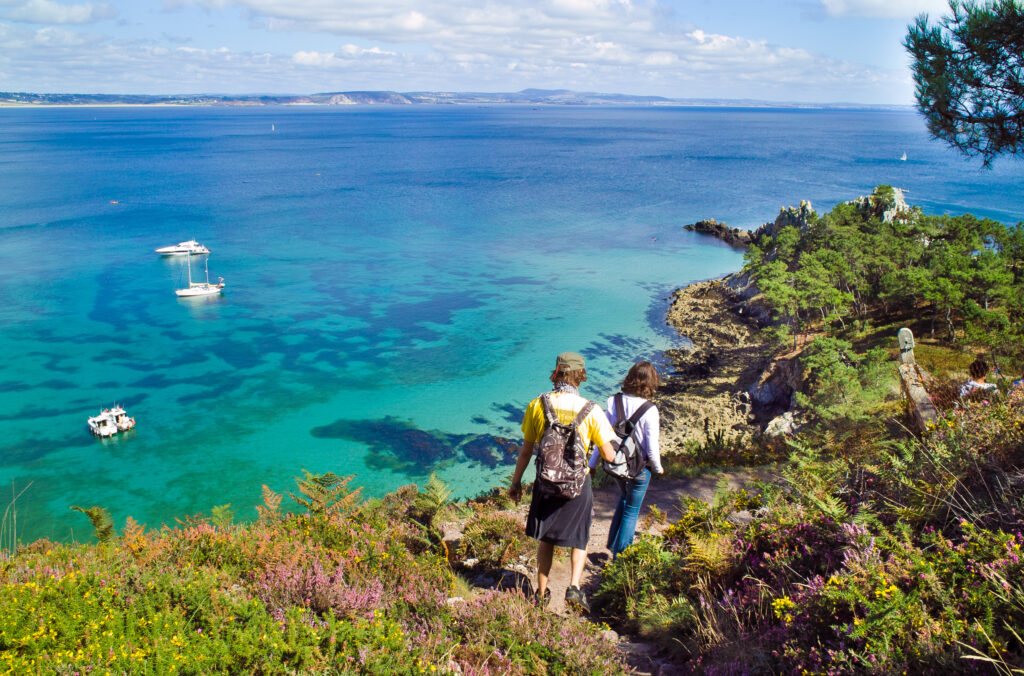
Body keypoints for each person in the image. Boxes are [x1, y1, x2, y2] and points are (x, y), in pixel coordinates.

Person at [509, 352, 617, 613]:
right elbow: (609, 455)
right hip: (578, 486)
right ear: (580, 375)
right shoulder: (591, 409)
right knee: (580, 537)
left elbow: (526, 451)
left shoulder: (537, 404)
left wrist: (515, 484)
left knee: (546, 539)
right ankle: (574, 588)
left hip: (546, 483)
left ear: (556, 373)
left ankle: (541, 593)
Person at [596, 361, 664, 558]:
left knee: (624, 498)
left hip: (617, 464)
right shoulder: (650, 409)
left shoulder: (613, 401)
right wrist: (658, 468)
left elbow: (602, 437)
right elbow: (652, 447)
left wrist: (592, 464)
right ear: (650, 382)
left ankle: (612, 543)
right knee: (632, 511)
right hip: (639, 467)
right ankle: (621, 557)